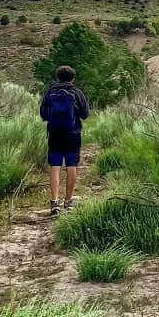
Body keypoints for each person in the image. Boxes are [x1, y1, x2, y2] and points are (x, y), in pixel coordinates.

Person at [39, 65, 90, 215]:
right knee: (71, 165)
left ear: (57, 77)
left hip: (55, 133)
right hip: (72, 133)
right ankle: (68, 201)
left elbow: (43, 114)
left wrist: (54, 120)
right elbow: (85, 114)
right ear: (73, 78)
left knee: (55, 166)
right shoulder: (77, 92)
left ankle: (54, 202)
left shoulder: (50, 92)